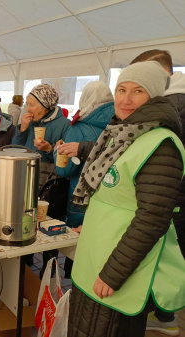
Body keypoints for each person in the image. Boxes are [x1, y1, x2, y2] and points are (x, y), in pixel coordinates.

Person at [68, 61, 185, 337]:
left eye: (138, 91)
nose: (126, 99)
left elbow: (152, 219)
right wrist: (94, 223)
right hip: (95, 259)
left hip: (118, 270)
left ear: (153, 96)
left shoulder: (160, 145)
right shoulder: (121, 134)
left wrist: (113, 274)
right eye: (121, 89)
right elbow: (114, 196)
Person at [130, 49, 185, 336]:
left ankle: (163, 315)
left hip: (171, 201)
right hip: (175, 199)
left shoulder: (171, 105)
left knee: (162, 263)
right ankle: (167, 315)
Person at [54, 81, 114, 277]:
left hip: (82, 196)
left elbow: (65, 169)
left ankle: (74, 294)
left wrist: (56, 153)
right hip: (109, 198)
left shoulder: (79, 128)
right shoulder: (120, 123)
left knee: (78, 254)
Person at [12, 83, 70, 186]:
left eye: (32, 105)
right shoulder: (30, 122)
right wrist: (22, 129)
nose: (28, 109)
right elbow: (15, 150)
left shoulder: (65, 125)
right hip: (23, 177)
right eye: (27, 104)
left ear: (45, 105)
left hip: (47, 183)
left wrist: (49, 149)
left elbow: (66, 162)